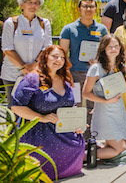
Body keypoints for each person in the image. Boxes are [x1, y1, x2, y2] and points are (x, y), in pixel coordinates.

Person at [10, 45, 85, 179]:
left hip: (61, 129)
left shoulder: (65, 79)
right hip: (37, 131)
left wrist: (77, 123)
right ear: (45, 57)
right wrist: (41, 117)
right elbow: (16, 107)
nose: (59, 60)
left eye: (62, 57)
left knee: (78, 144)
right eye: (55, 56)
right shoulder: (32, 79)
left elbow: (70, 107)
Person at [82, 34, 126, 160]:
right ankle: (81, 158)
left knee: (116, 145)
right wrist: (105, 101)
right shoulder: (96, 68)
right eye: (110, 46)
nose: (113, 49)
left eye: (116, 46)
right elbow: (86, 93)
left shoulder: (121, 66)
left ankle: (91, 156)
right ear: (103, 48)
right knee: (119, 148)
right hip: (105, 110)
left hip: (118, 109)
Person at [2, 0, 52, 98]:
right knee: (14, 108)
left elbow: (47, 47)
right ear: (21, 4)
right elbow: (7, 49)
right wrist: (24, 67)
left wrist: (33, 66)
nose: (33, 5)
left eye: (36, 3)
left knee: (34, 107)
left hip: (36, 73)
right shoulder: (11, 23)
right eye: (29, 2)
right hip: (12, 74)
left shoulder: (44, 23)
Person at [60, 0, 110, 88]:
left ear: (95, 9)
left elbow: (106, 51)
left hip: (96, 72)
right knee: (76, 102)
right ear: (79, 9)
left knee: (94, 102)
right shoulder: (68, 29)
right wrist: (66, 73)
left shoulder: (102, 29)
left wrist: (99, 62)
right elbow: (63, 53)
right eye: (85, 6)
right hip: (75, 72)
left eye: (91, 7)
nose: (88, 9)